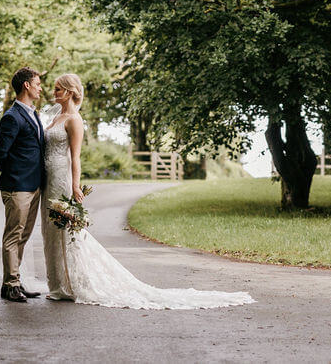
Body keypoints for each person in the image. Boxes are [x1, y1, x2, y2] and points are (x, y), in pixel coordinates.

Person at [40, 73, 255, 309]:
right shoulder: (55, 116)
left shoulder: (74, 120)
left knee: (65, 230)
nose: (54, 93)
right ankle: (57, 284)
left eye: (58, 90)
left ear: (69, 92)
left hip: (62, 179)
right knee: (49, 230)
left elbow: (76, 157)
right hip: (48, 179)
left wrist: (74, 186)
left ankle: (71, 284)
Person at [0, 67, 46, 302]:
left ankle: (14, 280)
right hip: (17, 186)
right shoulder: (12, 116)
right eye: (38, 83)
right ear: (26, 85)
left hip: (34, 186)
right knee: (13, 236)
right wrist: (15, 176)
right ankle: (10, 285)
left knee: (23, 236)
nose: (40, 87)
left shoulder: (34, 114)